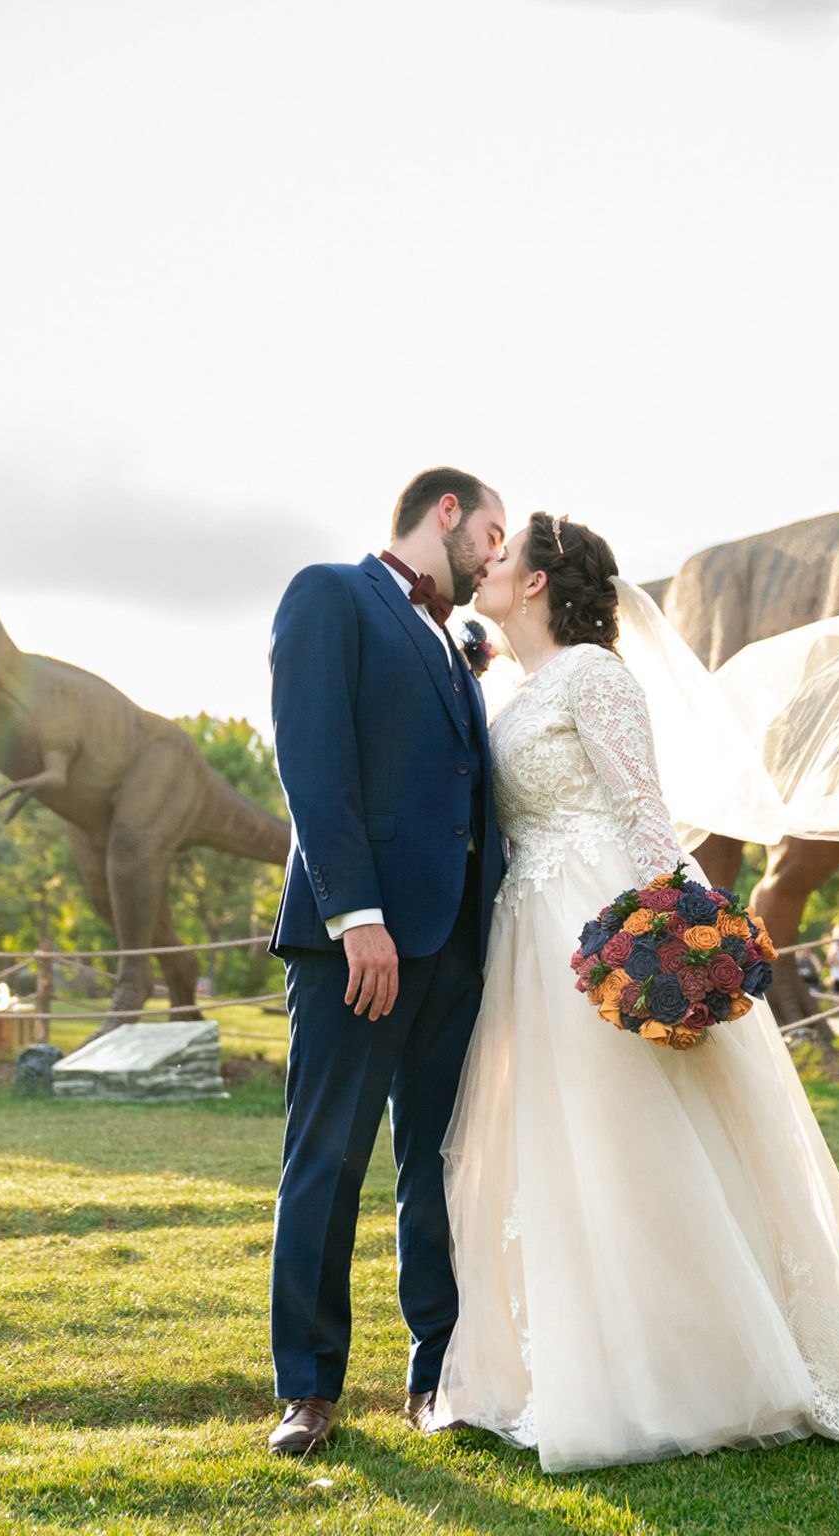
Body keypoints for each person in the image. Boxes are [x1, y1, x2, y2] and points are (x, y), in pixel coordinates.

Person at [433, 512, 839, 1472]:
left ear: (538, 583)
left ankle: (705, 1372)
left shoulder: (595, 675)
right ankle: (588, 1367)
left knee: (641, 1142)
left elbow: (643, 815)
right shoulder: (516, 690)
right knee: (566, 1149)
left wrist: (681, 947)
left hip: (604, 925)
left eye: (502, 557)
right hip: (530, 938)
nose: (486, 566)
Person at [264, 467, 508, 1456]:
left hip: (454, 950)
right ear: (444, 511)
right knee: (326, 1159)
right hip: (357, 947)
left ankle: (437, 1377)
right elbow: (311, 761)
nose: (497, 556)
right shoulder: (331, 593)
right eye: (492, 533)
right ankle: (309, 1392)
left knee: (439, 1168)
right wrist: (355, 914)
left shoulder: (455, 646)